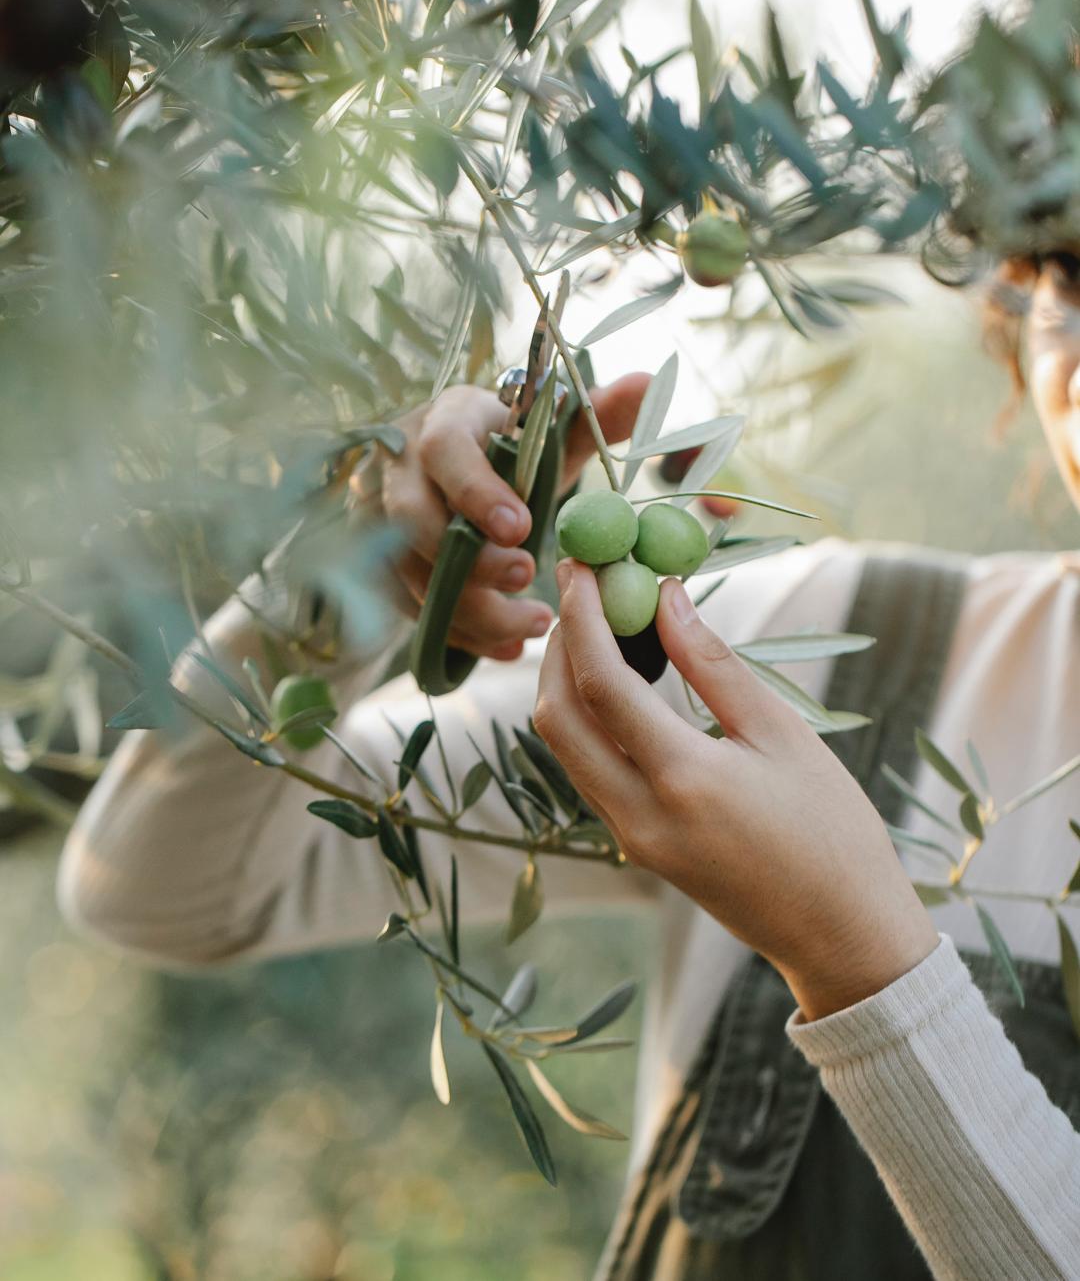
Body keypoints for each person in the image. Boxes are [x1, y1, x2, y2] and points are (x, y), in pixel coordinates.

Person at [57, 257, 1080, 1281]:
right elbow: (157, 892)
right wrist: (348, 579)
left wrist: (858, 958)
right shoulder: (811, 653)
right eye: (1070, 266)